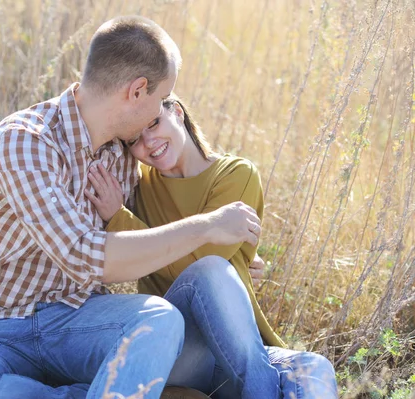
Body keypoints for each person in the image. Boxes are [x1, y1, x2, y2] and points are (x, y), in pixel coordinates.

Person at [0, 16, 275, 399]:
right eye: (162, 99)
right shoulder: (24, 141)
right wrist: (207, 226)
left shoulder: (124, 159)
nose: (163, 108)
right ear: (137, 91)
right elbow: (81, 253)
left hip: (83, 322)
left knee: (160, 321)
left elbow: (153, 230)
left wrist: (235, 259)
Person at [85, 95, 339, 398]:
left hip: (239, 344)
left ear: (177, 112)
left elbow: (197, 262)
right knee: (210, 270)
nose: (149, 141)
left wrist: (121, 220)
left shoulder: (236, 175)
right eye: (135, 139)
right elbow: (199, 271)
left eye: (154, 123)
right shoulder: (138, 184)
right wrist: (118, 218)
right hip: (175, 344)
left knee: (314, 367)